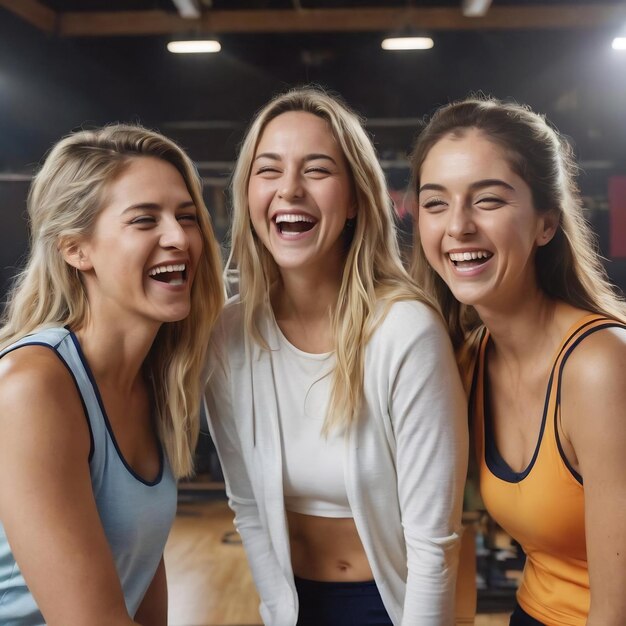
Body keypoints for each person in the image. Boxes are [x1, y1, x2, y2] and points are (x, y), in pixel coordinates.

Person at [204, 86, 468, 626]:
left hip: (387, 608)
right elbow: (249, 508)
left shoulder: (405, 331)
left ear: (354, 199)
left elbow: (433, 543)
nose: (289, 190)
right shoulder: (229, 332)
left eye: (317, 170)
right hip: (292, 606)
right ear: (247, 194)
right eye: (268, 170)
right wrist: (279, 611)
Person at [411, 97, 626, 626]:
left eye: (487, 201)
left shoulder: (600, 366)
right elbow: (445, 537)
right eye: (435, 203)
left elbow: (614, 609)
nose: (457, 226)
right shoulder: (465, 361)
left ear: (545, 225)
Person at [0, 124, 224, 625]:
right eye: (145, 220)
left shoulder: (154, 380)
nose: (179, 237)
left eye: (186, 217)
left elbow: (139, 570)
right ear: (76, 249)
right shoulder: (34, 385)